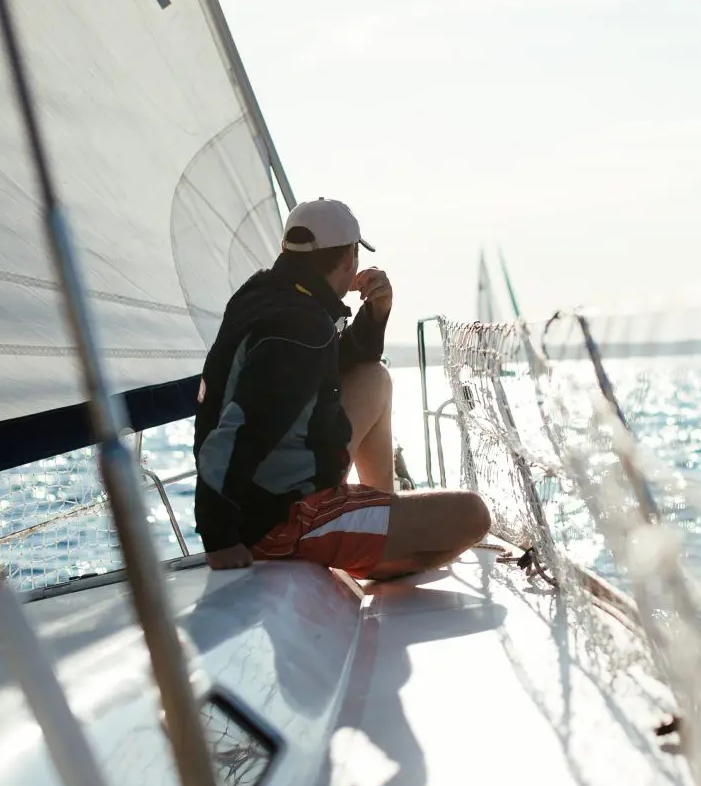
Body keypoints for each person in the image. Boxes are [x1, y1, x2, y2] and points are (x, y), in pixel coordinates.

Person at [193, 198, 490, 579]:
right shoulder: (298, 330)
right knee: (472, 515)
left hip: (281, 482)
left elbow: (335, 360)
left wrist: (376, 311)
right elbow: (235, 433)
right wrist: (220, 539)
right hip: (281, 517)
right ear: (350, 258)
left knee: (373, 377)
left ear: (287, 252)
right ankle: (380, 546)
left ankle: (380, 511)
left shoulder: (271, 295)